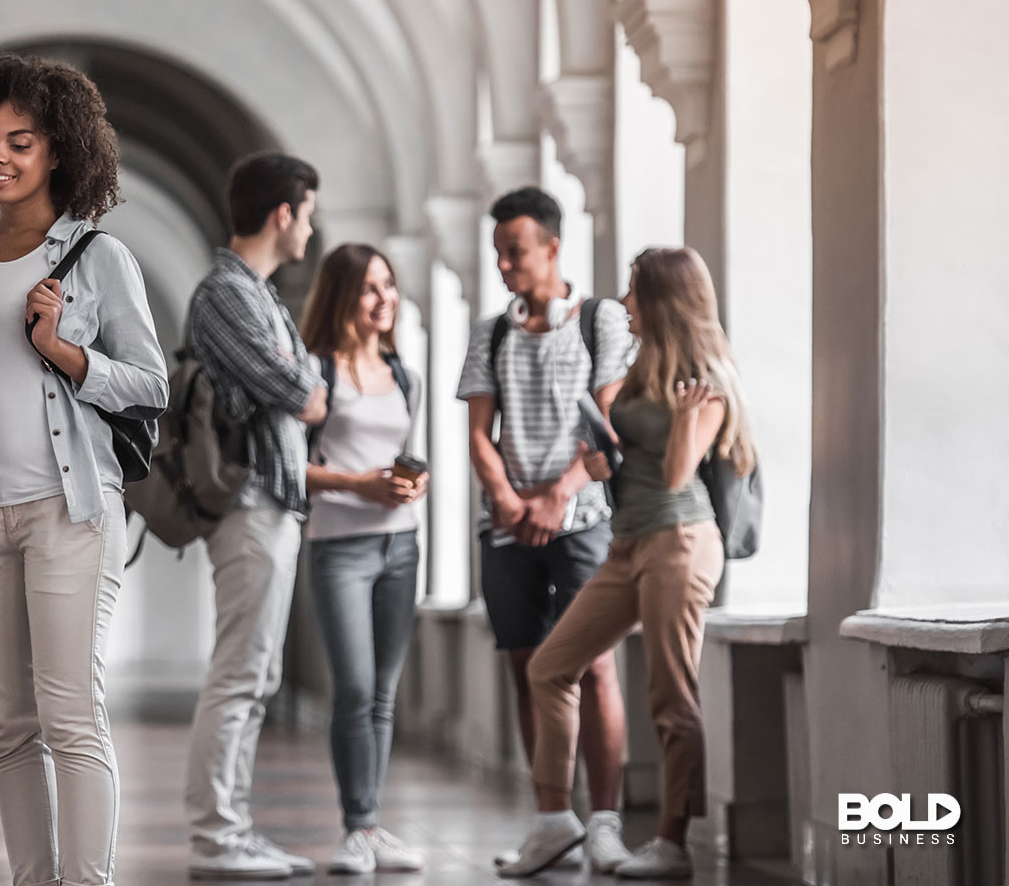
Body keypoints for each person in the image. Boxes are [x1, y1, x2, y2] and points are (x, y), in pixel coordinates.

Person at [0, 52, 167, 886]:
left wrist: (65, 353)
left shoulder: (96, 258)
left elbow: (151, 384)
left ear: (60, 152)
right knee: (8, 725)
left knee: (71, 715)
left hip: (68, 511)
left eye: (21, 141)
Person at [503, 247, 756, 880]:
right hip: (628, 542)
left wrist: (693, 420)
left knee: (671, 694)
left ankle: (672, 843)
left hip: (679, 541)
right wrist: (600, 462)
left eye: (635, 292)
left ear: (665, 299)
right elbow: (628, 460)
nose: (623, 304)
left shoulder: (707, 379)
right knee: (551, 667)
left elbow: (675, 477)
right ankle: (556, 822)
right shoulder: (645, 367)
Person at [458, 187, 635, 874]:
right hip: (508, 525)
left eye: (516, 252)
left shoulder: (603, 322)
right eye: (499, 253)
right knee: (528, 668)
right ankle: (550, 820)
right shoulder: (491, 333)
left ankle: (606, 824)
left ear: (553, 248)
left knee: (594, 667)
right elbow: (478, 433)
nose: (504, 265)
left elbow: (611, 430)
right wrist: (506, 496)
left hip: (582, 521)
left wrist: (558, 496)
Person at [182, 152, 327, 881]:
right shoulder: (225, 295)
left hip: (274, 503)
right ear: (283, 214)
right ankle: (216, 834)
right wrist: (302, 377)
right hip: (249, 505)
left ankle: (232, 827)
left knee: (256, 674)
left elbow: (301, 383)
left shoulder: (257, 295)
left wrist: (301, 378)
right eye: (308, 213)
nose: (311, 228)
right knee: (240, 673)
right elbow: (299, 389)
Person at [298, 244, 429, 875]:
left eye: (390, 286)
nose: (385, 299)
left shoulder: (406, 374)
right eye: (371, 288)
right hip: (339, 547)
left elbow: (406, 451)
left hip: (402, 545)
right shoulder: (317, 373)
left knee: (382, 693)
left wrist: (410, 484)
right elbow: (291, 468)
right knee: (352, 689)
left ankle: (372, 826)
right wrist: (359, 486)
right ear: (344, 297)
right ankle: (354, 826)